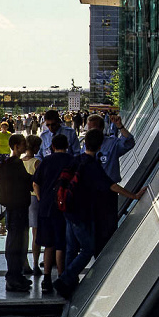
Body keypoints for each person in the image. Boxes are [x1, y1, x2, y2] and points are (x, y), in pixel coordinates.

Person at [53, 128, 147, 299]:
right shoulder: (92, 165)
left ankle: (68, 282)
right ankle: (65, 280)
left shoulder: (76, 160)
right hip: (81, 213)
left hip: (68, 211)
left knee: (72, 248)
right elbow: (110, 185)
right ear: (100, 145)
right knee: (88, 249)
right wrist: (133, 196)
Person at [86, 113, 135, 253]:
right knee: (94, 227)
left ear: (101, 129)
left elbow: (129, 142)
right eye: (89, 129)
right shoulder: (86, 145)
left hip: (108, 193)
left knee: (108, 226)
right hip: (91, 193)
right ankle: (97, 253)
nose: (91, 132)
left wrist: (120, 126)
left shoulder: (112, 143)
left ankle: (109, 253)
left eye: (93, 129)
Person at [33, 134, 74, 293]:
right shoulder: (72, 161)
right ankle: (62, 278)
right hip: (63, 207)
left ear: (52, 147)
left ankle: (47, 279)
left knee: (48, 244)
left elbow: (35, 183)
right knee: (61, 244)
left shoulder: (46, 161)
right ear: (67, 145)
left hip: (46, 207)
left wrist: (40, 198)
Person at [0, 133, 34, 292]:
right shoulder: (15, 164)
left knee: (17, 241)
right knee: (16, 241)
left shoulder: (6, 163)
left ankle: (17, 276)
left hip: (13, 206)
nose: (26, 146)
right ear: (16, 146)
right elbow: (26, 180)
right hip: (17, 207)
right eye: (23, 144)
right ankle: (13, 277)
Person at [21, 135, 42, 276]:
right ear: (35, 147)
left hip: (22, 198)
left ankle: (24, 263)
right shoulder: (37, 162)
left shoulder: (19, 161)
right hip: (34, 199)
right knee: (36, 233)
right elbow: (38, 183)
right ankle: (35, 263)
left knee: (23, 233)